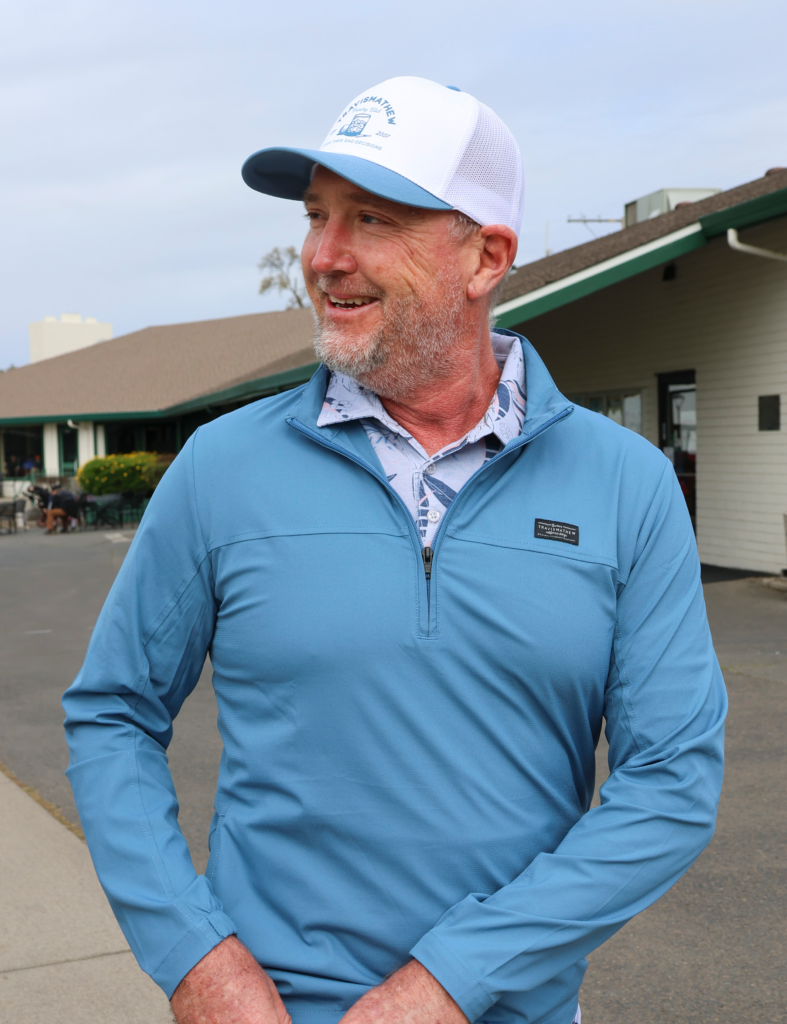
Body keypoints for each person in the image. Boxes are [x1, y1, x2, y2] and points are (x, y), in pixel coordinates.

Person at [63, 78, 726, 1024]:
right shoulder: (222, 468)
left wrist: (448, 984)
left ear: (484, 257)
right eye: (316, 217)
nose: (323, 258)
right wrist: (194, 959)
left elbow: (670, 781)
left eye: (370, 219)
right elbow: (112, 715)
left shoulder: (626, 485)